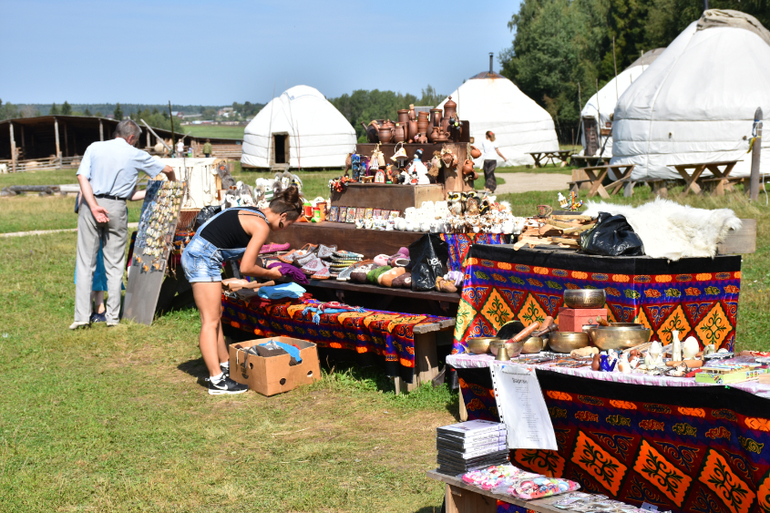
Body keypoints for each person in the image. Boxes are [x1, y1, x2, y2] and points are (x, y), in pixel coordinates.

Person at [181, 186, 303, 395]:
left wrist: (267, 270)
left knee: (216, 316)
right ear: (282, 216)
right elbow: (246, 267)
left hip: (200, 256)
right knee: (209, 321)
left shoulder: (252, 212)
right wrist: (273, 274)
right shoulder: (262, 227)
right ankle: (216, 381)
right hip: (202, 260)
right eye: (287, 224)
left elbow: (248, 257)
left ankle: (226, 365)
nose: (284, 229)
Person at [71, 119, 176, 330]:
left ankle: (82, 317)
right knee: (115, 263)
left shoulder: (94, 147)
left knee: (85, 263)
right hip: (116, 208)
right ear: (131, 138)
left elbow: (82, 177)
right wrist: (172, 186)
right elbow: (167, 168)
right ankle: (112, 318)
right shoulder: (133, 153)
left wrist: (92, 206)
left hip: (89, 204)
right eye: (135, 141)